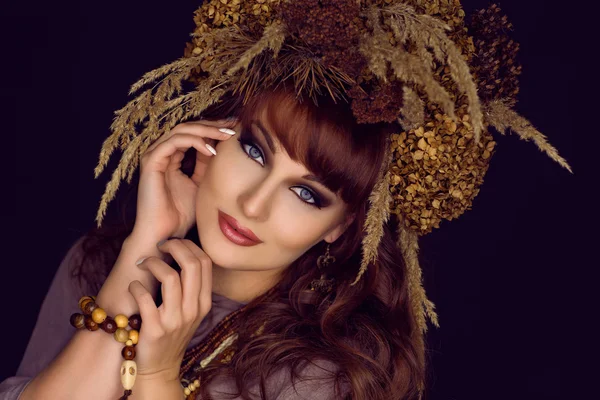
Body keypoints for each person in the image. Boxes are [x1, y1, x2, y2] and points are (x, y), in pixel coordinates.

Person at [0, 1, 572, 399]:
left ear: (341, 227)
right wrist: (141, 251)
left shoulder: (333, 371)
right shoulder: (96, 266)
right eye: (254, 150)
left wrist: (158, 374)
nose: (252, 205)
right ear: (212, 137)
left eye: (305, 192)